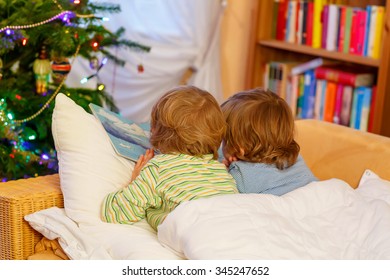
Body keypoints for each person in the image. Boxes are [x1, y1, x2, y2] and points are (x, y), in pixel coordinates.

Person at [101, 85, 238, 231]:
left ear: (157, 132)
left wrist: (134, 180)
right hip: (232, 228)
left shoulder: (159, 168)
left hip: (197, 231)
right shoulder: (221, 170)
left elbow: (115, 213)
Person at [220, 88, 317, 195]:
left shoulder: (239, 174)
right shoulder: (296, 158)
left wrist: (225, 170)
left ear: (240, 149)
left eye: (224, 140)